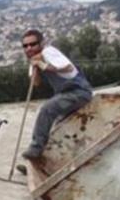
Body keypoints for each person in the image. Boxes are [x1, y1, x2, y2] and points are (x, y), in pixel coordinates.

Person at [20, 29, 94, 160]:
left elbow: (68, 67)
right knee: (56, 130)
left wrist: (42, 64)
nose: (29, 48)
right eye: (25, 46)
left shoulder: (49, 52)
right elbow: (35, 83)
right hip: (66, 95)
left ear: (41, 43)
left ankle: (35, 149)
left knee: (47, 109)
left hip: (78, 92)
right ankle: (44, 161)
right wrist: (35, 66)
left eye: (33, 44)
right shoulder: (34, 60)